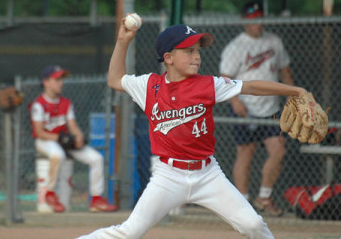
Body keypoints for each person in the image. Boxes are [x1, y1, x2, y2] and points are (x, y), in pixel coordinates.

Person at [77, 19, 309, 239]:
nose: (196, 56)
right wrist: (123, 41)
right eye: (188, 51)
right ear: (168, 57)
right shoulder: (149, 86)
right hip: (168, 175)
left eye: (198, 51)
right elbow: (115, 79)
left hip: (208, 174)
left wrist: (295, 91)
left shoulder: (208, 84)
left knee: (254, 224)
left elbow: (250, 87)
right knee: (129, 232)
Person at [219, 1, 295, 216]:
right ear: (245, 22)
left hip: (270, 107)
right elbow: (225, 78)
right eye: (252, 20)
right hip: (245, 107)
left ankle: (264, 197)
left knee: (278, 150)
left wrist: (291, 95)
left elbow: (284, 70)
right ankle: (243, 203)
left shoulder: (274, 41)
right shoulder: (236, 46)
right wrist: (235, 101)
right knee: (245, 153)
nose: (257, 24)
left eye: (260, 19)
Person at [29, 65, 117, 213]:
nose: (61, 82)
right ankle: (50, 193)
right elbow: (39, 132)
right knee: (58, 155)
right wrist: (59, 137)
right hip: (45, 141)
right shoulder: (39, 104)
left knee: (96, 158)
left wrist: (78, 136)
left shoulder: (66, 103)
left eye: (61, 79)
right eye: (57, 79)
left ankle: (96, 199)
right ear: (46, 82)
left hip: (63, 142)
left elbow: (73, 125)